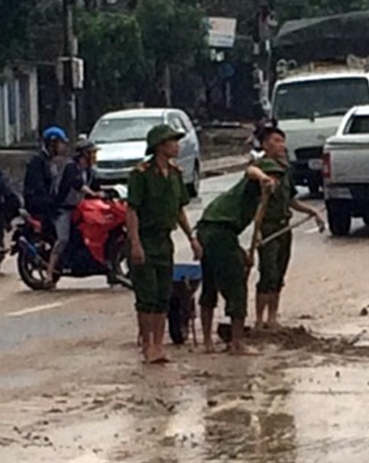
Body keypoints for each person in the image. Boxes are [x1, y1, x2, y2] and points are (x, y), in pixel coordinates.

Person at [196, 132, 283, 354]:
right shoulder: (252, 182)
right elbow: (250, 170)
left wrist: (249, 250)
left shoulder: (259, 199)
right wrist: (263, 177)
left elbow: (256, 225)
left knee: (210, 283)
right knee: (236, 286)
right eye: (273, 176)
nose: (276, 181)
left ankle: (208, 343)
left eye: (277, 178)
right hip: (218, 230)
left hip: (212, 230)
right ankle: (237, 343)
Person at [127, 124, 203, 365]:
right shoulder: (141, 174)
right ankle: (147, 345)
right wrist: (135, 243)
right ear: (160, 146)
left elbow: (179, 210)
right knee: (146, 296)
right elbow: (132, 211)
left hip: (164, 241)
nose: (177, 146)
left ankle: (159, 345)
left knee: (163, 295)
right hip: (146, 239)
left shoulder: (175, 174)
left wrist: (192, 238)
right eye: (172, 142)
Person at [245, 126, 325, 330]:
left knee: (279, 273)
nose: (281, 145)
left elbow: (290, 200)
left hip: (284, 227)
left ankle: (273, 317)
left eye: (282, 141)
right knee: (267, 273)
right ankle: (259, 320)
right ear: (264, 144)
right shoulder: (261, 167)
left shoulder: (285, 169)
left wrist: (311, 212)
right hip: (268, 227)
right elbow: (253, 190)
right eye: (276, 141)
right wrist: (258, 231)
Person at [46, 139, 104, 286]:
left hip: (80, 209)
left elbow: (97, 187)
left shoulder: (89, 171)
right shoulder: (71, 168)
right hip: (63, 209)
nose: (94, 156)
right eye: (92, 153)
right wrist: (93, 192)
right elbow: (78, 184)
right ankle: (49, 273)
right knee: (63, 240)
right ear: (83, 154)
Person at [23, 126, 69, 220]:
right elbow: (38, 189)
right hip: (39, 209)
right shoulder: (37, 162)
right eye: (61, 143)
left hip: (48, 206)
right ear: (52, 143)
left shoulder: (50, 161)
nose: (63, 147)